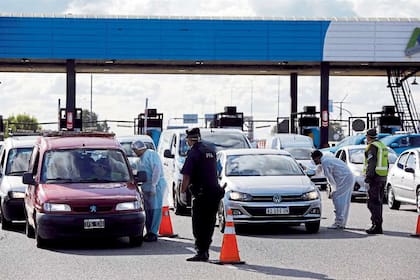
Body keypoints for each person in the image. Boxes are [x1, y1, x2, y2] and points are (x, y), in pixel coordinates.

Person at [180, 127, 224, 262]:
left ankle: (201, 252)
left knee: (198, 224)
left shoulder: (194, 153)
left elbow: (186, 176)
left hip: (201, 193)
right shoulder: (210, 150)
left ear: (190, 140)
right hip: (215, 192)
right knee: (209, 223)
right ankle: (205, 250)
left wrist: (182, 191)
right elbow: (218, 171)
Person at [132, 140, 167, 242]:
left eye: (135, 150)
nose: (134, 153)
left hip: (156, 185)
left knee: (155, 209)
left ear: (139, 149)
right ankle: (148, 231)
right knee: (148, 210)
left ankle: (153, 232)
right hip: (146, 186)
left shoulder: (151, 154)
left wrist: (153, 185)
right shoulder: (140, 159)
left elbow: (156, 170)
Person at [311, 150, 354, 229]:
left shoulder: (325, 162)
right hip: (347, 178)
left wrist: (333, 189)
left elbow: (329, 177)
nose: (314, 162)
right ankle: (342, 222)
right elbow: (317, 171)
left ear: (317, 158)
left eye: (314, 160)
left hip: (344, 179)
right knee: (344, 201)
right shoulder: (325, 159)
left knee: (338, 199)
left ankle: (339, 222)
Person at [363, 128, 389, 234]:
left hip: (375, 177)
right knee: (378, 202)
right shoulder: (382, 146)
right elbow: (386, 163)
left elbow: (371, 163)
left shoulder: (372, 147)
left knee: (372, 203)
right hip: (382, 177)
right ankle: (378, 225)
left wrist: (368, 177)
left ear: (368, 137)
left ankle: (376, 226)